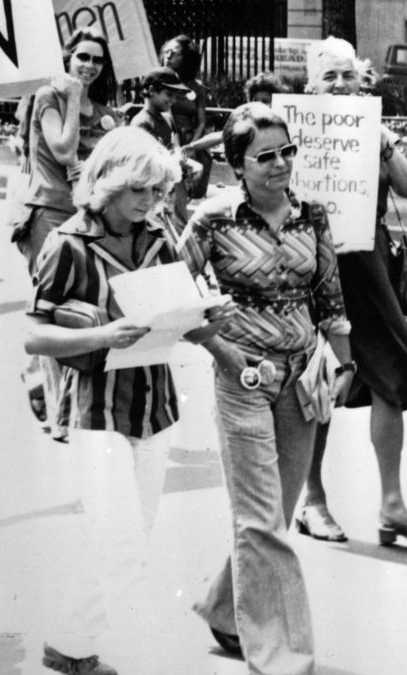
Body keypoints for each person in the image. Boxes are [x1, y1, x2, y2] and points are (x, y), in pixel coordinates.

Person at [25, 126, 227, 674]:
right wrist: (100, 336)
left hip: (153, 406)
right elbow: (33, 334)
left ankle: (70, 645)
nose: (151, 202)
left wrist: (208, 322)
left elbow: (177, 316)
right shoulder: (66, 244)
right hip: (96, 408)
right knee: (121, 542)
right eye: (142, 190)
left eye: (159, 192)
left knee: (127, 536)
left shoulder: (157, 237)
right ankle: (122, 652)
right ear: (110, 181)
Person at [180, 102, 354, 674]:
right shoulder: (212, 220)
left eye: (287, 152)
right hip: (244, 377)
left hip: (303, 378)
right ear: (237, 165)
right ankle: (281, 658)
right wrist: (220, 347)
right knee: (258, 519)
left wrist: (345, 365)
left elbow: (329, 297)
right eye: (265, 157)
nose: (280, 166)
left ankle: (224, 609)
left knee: (271, 513)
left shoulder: (313, 215)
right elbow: (176, 293)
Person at [297, 37, 407, 548]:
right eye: (329, 76)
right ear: (309, 85)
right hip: (310, 265)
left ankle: (391, 503)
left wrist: (384, 144)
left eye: (347, 75)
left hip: (369, 265)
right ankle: (311, 498)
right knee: (319, 377)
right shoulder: (294, 129)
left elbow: (405, 188)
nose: (339, 84)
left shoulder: (372, 130)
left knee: (392, 371)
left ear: (362, 79)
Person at [12, 28, 121, 442]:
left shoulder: (107, 113)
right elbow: (60, 149)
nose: (90, 66)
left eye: (97, 60)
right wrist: (73, 98)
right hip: (49, 216)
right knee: (56, 312)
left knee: (83, 311)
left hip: (87, 218)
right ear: (67, 59)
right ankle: (62, 416)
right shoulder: (48, 97)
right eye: (82, 58)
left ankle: (36, 375)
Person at [161, 35, 212, 199]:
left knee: (203, 164)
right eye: (166, 51)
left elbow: (202, 122)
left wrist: (192, 147)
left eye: (174, 53)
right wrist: (177, 148)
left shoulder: (197, 87)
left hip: (191, 139)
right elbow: (167, 117)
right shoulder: (161, 82)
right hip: (168, 139)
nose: (168, 56)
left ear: (186, 58)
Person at [129, 67, 192, 149]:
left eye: (175, 96)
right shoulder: (142, 123)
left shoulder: (167, 119)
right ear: (152, 90)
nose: (173, 100)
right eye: (169, 94)